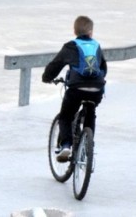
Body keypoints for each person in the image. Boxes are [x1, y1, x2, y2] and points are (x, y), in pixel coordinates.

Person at [42, 15, 107, 162]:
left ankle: (66, 145)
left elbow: (55, 65)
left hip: (76, 89)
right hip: (97, 89)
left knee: (66, 116)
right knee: (91, 111)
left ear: (74, 31)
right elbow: (103, 68)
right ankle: (87, 147)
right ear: (91, 32)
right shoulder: (97, 46)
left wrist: (47, 78)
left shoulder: (70, 46)